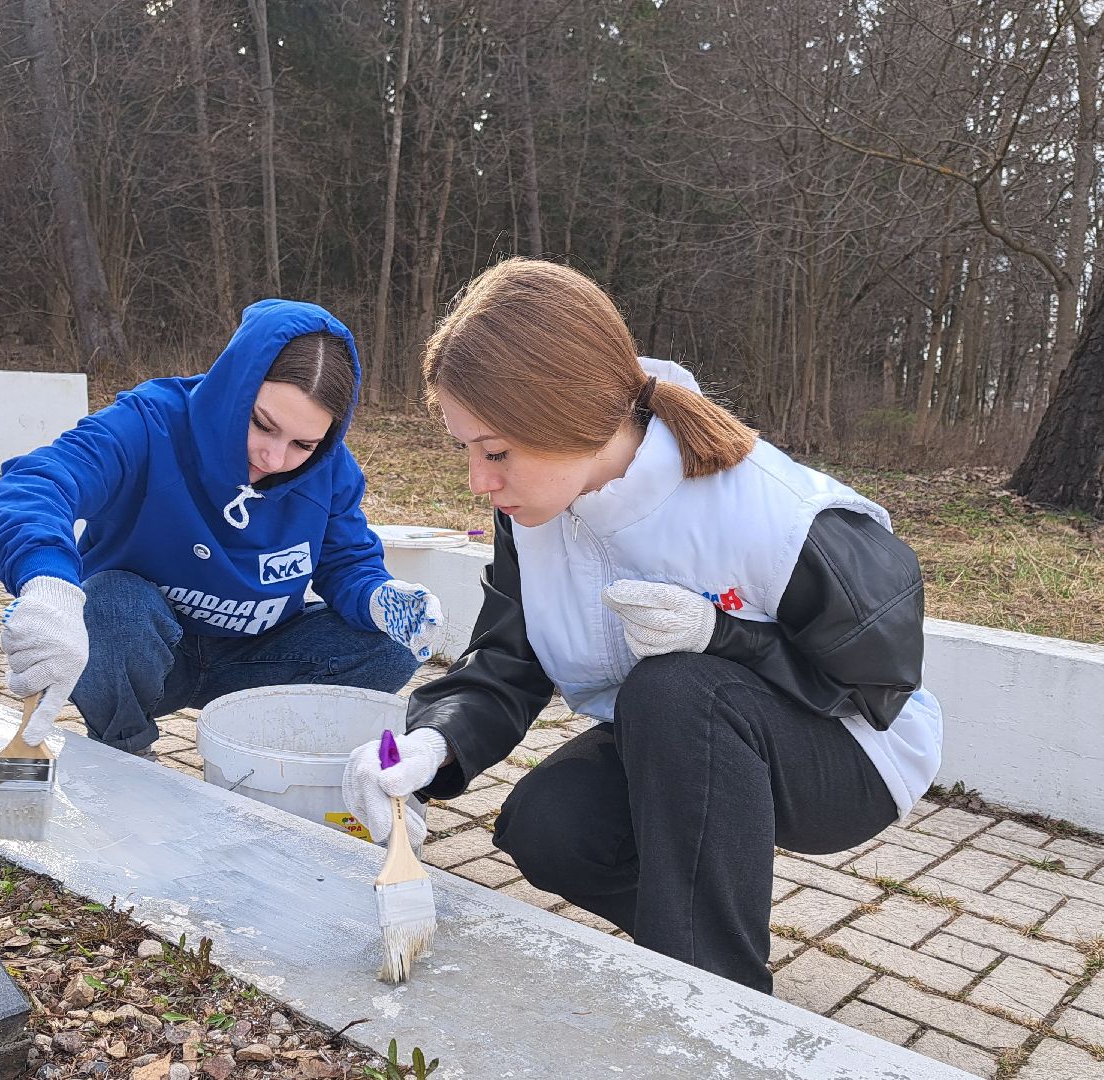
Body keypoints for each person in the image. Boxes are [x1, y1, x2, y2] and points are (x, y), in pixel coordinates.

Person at [342, 259, 942, 992]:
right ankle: (694, 937)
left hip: (851, 758)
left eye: (496, 452)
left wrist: (724, 637)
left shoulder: (770, 511)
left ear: (568, 417)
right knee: (548, 825)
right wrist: (427, 747)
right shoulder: (533, 512)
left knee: (674, 689)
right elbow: (505, 664)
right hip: (682, 738)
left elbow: (878, 686)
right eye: (466, 449)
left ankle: (715, 1002)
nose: (478, 480)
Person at [0, 299, 443, 756]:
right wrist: (46, 582)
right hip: (145, 651)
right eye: (262, 425)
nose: (275, 459)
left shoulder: (331, 472)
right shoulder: (149, 423)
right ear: (232, 392)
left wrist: (377, 598)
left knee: (390, 642)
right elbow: (37, 483)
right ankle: (125, 752)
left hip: (258, 659)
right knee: (106, 604)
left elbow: (346, 563)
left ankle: (265, 756)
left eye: (304, 443)